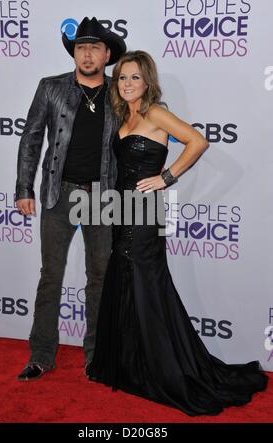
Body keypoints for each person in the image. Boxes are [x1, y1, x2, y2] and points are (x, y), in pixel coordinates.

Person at [87, 50, 268, 415]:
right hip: (123, 210)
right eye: (122, 77)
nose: (127, 84)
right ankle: (131, 366)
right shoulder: (125, 113)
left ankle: (164, 369)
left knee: (148, 286)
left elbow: (197, 141)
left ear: (147, 80)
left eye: (134, 77)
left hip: (146, 213)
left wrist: (167, 177)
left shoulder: (155, 112)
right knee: (125, 279)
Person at [15, 17, 126, 381]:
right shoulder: (51, 87)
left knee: (100, 278)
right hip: (58, 195)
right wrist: (23, 188)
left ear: (107, 54)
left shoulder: (119, 92)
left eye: (95, 47)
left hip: (102, 196)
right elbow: (31, 139)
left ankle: (96, 358)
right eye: (81, 47)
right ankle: (41, 355)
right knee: (51, 276)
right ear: (74, 53)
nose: (88, 54)